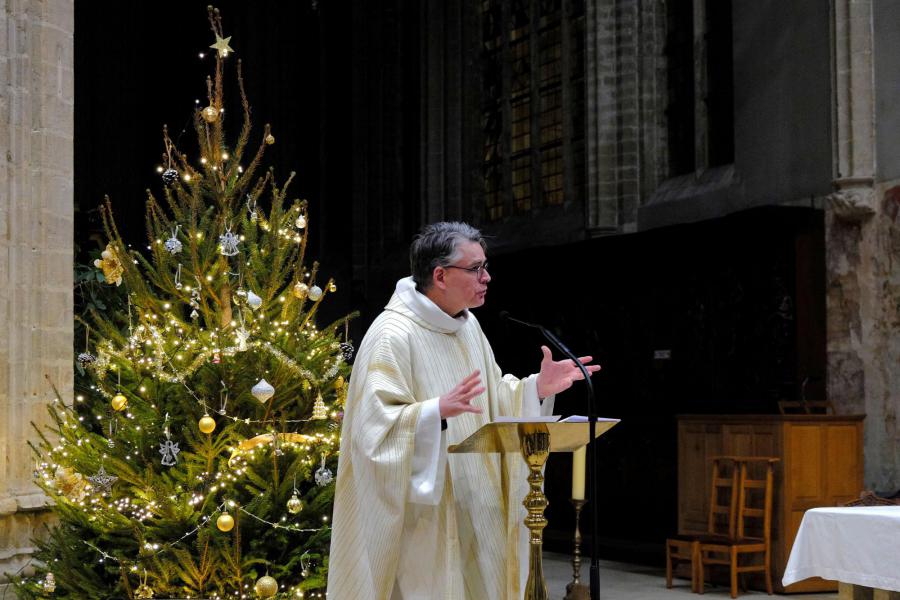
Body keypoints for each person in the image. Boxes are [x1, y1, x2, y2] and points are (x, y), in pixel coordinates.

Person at [327, 222, 600, 600]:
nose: (486, 277)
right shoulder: (392, 335)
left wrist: (537, 387)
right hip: (427, 517)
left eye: (485, 266)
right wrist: (433, 412)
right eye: (475, 269)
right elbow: (372, 429)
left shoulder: (468, 327)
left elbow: (493, 396)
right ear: (440, 275)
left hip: (477, 501)